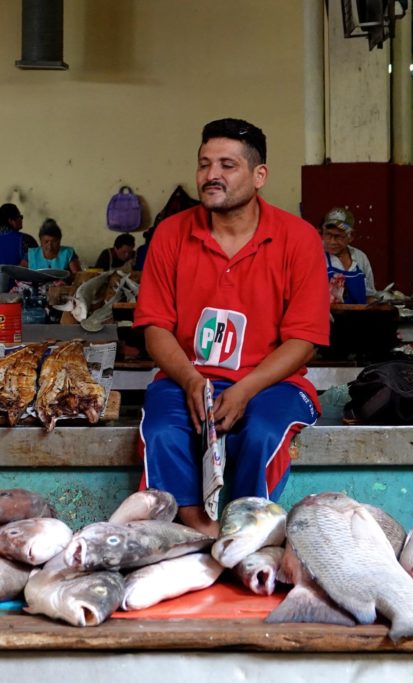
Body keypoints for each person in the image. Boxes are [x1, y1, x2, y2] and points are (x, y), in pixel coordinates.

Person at [134, 118, 329, 535]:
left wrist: (244, 390)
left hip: (272, 383)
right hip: (185, 379)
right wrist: (188, 379)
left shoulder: (298, 238)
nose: (212, 176)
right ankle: (198, 531)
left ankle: (244, 529)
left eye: (227, 165)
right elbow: (154, 327)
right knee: (163, 430)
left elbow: (305, 339)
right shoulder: (170, 235)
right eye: (204, 165)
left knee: (260, 432)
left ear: (259, 175)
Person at [321, 207, 376, 304]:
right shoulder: (317, 255)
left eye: (338, 236)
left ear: (351, 236)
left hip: (358, 317)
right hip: (328, 318)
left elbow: (369, 296)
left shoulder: (360, 257)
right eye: (328, 234)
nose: (332, 241)